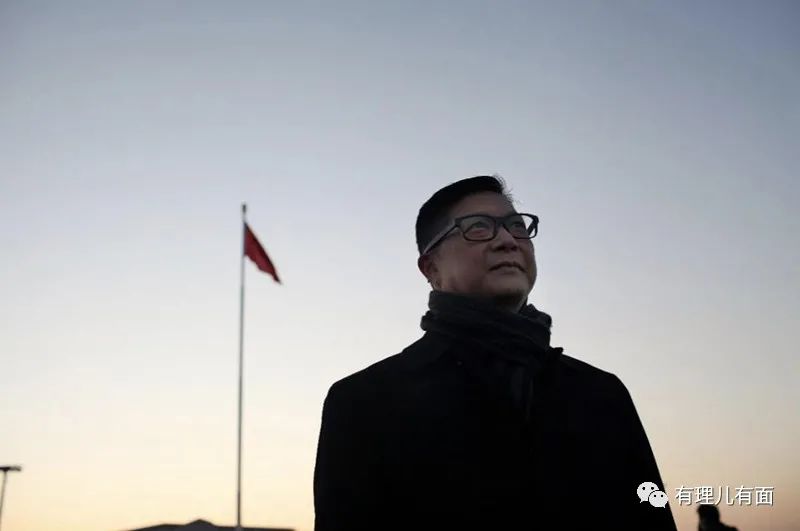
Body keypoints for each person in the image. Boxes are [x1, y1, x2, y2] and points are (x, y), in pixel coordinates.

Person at [313, 176, 678, 530]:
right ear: (431, 268)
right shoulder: (365, 401)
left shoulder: (601, 393)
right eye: (478, 227)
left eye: (517, 227)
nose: (507, 240)